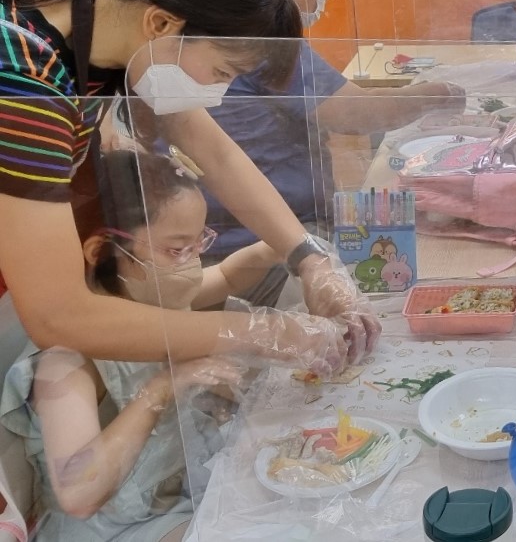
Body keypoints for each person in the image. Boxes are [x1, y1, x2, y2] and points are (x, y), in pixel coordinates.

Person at [0, 0, 378, 376]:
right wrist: (262, 332)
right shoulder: (23, 81)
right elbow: (58, 316)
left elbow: (212, 150)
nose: (217, 94)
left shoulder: (108, 34)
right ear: (161, 24)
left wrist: (309, 258)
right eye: (221, 72)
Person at [0, 150, 297, 541]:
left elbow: (226, 275)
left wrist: (288, 248)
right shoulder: (67, 362)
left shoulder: (154, 298)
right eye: (177, 250)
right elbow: (79, 494)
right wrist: (159, 389)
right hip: (110, 529)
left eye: (199, 243)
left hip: (177, 499)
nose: (192, 263)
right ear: (102, 250)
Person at [201, 0, 465, 306]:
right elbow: (359, 114)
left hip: (255, 235)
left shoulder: (224, 24)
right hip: (259, 248)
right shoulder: (259, 39)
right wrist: (439, 94)